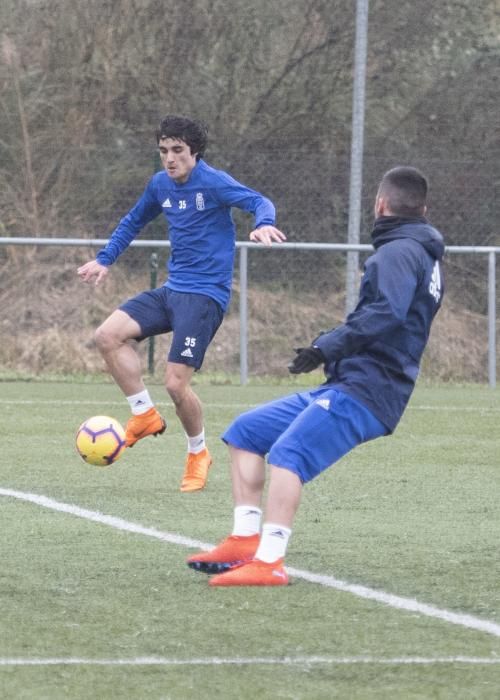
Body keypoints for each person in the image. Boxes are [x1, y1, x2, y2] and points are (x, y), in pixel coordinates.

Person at [187, 165, 445, 586]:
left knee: (289, 454)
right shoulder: (417, 250)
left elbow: (387, 314)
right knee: (246, 433)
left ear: (380, 205)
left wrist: (328, 346)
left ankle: (270, 561)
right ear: (423, 209)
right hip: (351, 382)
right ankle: (244, 540)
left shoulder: (398, 252)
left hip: (369, 390)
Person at [77, 115, 286, 492]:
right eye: (163, 151)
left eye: (177, 151)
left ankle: (197, 453)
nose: (170, 159)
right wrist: (105, 258)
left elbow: (258, 200)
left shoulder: (215, 183)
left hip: (204, 297)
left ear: (194, 152)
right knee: (107, 335)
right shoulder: (160, 185)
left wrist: (263, 221)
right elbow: (132, 221)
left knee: (175, 385)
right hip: (173, 291)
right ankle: (143, 414)